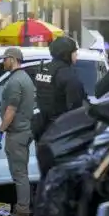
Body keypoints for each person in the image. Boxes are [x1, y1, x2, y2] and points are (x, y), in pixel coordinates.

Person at [32, 37, 86, 182]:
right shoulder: (68, 75)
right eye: (75, 52)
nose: (77, 56)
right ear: (66, 53)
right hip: (61, 134)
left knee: (47, 176)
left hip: (43, 130)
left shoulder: (44, 69)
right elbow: (76, 109)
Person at [0, 47, 37, 216]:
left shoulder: (14, 81)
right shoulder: (25, 78)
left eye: (5, 59)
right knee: (22, 172)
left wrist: (0, 130)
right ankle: (23, 209)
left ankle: (22, 213)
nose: (3, 62)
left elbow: (11, 109)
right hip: (25, 130)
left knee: (19, 173)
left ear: (12, 59)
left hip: (17, 132)